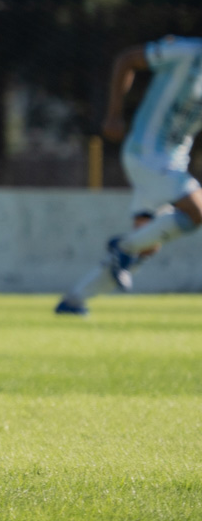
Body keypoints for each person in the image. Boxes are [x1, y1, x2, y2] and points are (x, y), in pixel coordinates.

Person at [56, 37, 202, 315]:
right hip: (146, 151)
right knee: (197, 210)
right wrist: (113, 115)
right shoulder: (187, 52)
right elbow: (127, 59)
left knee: (147, 245)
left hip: (172, 160)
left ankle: (74, 300)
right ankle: (122, 247)